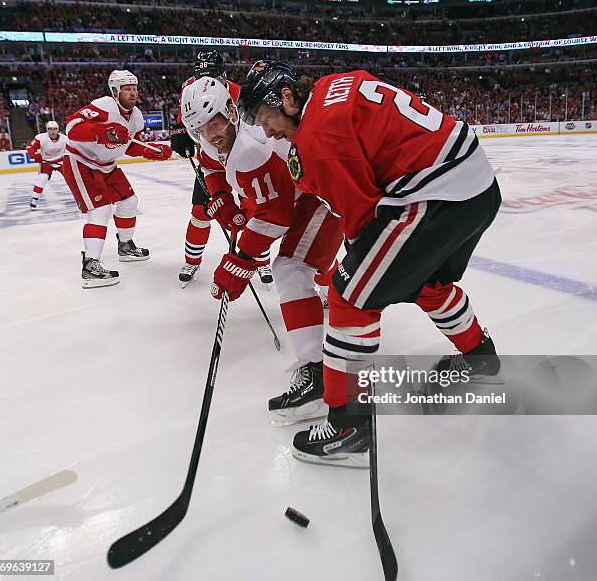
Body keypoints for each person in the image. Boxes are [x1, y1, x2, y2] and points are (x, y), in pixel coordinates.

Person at [238, 61, 502, 467]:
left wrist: (355, 273)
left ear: (287, 98)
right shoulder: (332, 85)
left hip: (435, 197)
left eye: (266, 118)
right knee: (426, 283)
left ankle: (349, 428)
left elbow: (360, 220)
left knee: (350, 298)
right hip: (476, 185)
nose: (268, 130)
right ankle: (480, 357)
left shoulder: (317, 137)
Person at [181, 76, 343, 424]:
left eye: (215, 124)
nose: (210, 135)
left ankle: (320, 374)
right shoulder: (214, 140)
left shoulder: (250, 148)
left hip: (321, 196)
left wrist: (239, 261)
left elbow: (276, 215)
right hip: (301, 194)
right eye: (199, 129)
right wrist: (222, 197)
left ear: (230, 112)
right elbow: (209, 163)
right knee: (294, 270)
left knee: (291, 269)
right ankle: (320, 364)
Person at [170, 51, 273, 286]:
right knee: (200, 213)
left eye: (214, 76)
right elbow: (186, 116)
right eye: (202, 76)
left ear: (223, 75)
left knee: (254, 211)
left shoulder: (240, 95)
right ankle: (192, 260)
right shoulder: (191, 89)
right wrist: (178, 132)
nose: (208, 81)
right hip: (212, 161)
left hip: (244, 160)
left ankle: (261, 258)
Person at [62, 69, 172, 288]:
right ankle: (90, 265)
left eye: (135, 89)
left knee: (129, 202)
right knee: (101, 209)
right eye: (127, 89)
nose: (133, 94)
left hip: (107, 165)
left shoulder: (137, 116)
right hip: (81, 161)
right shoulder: (105, 106)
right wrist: (101, 131)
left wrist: (149, 150)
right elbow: (72, 128)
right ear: (115, 91)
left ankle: (125, 246)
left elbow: (127, 144)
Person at [26, 120, 67, 209]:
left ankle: (80, 198)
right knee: (42, 179)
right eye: (50, 129)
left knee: (72, 178)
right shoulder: (41, 138)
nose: (52, 131)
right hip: (46, 162)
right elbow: (30, 147)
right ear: (47, 130)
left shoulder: (64, 139)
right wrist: (34, 154)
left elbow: (72, 149)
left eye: (55, 129)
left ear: (58, 129)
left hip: (61, 161)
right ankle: (34, 198)